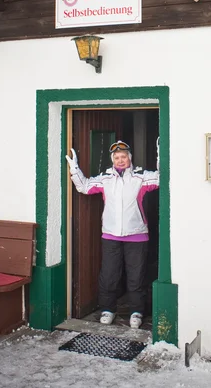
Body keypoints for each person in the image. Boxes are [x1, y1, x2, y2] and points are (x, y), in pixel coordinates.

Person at [65, 139, 159, 329]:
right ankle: (108, 309)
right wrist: (74, 169)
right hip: (110, 236)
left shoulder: (140, 177)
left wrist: (161, 154)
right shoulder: (105, 179)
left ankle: (136, 311)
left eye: (123, 156)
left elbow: (162, 177)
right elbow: (83, 186)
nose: (120, 160)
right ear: (112, 160)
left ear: (129, 158)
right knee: (109, 275)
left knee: (136, 276)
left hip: (137, 235)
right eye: (117, 157)